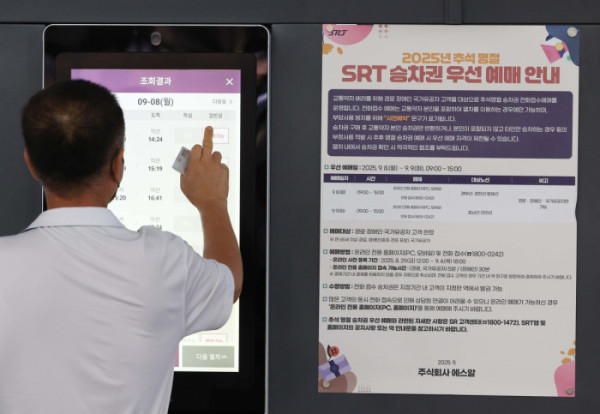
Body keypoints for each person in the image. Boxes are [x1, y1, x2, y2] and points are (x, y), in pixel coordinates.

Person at [0, 80, 243, 414]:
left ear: (31, 163)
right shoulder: (165, 259)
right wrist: (212, 201)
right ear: (118, 163)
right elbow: (230, 281)